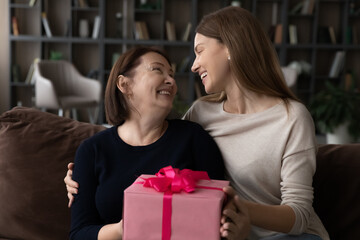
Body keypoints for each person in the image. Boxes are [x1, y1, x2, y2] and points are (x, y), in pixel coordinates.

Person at [66, 6, 329, 240]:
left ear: (230, 47)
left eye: (199, 51)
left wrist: (230, 205)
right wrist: (82, 176)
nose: (192, 66)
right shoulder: (202, 112)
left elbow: (300, 214)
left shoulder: (291, 117)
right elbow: (151, 146)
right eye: (160, 70)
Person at [68, 46, 247, 240]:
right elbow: (79, 234)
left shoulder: (194, 139)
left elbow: (217, 216)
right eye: (157, 70)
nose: (170, 80)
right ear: (124, 85)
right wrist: (125, 228)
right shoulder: (91, 151)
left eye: (171, 74)